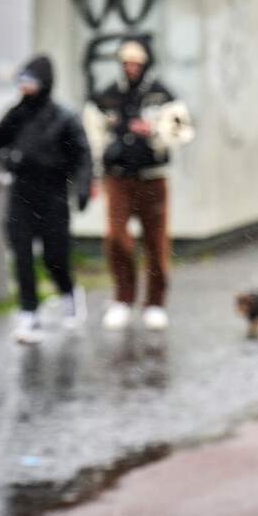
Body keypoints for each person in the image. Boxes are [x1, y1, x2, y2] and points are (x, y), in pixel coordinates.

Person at [84, 39, 193, 331]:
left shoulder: (160, 94)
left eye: (137, 63)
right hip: (118, 178)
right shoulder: (108, 96)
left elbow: (183, 130)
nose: (132, 68)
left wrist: (156, 130)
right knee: (116, 238)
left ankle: (155, 302)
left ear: (145, 64)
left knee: (156, 242)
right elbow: (92, 134)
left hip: (152, 177)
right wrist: (97, 169)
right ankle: (123, 297)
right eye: (127, 63)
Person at [0, 55, 92, 344]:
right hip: (22, 194)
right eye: (22, 82)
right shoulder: (17, 114)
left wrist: (82, 187)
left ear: (44, 84)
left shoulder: (63, 117)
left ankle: (68, 292)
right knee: (22, 255)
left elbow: (82, 155)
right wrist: (7, 156)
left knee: (54, 256)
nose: (25, 88)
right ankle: (28, 312)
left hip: (53, 195)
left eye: (30, 82)